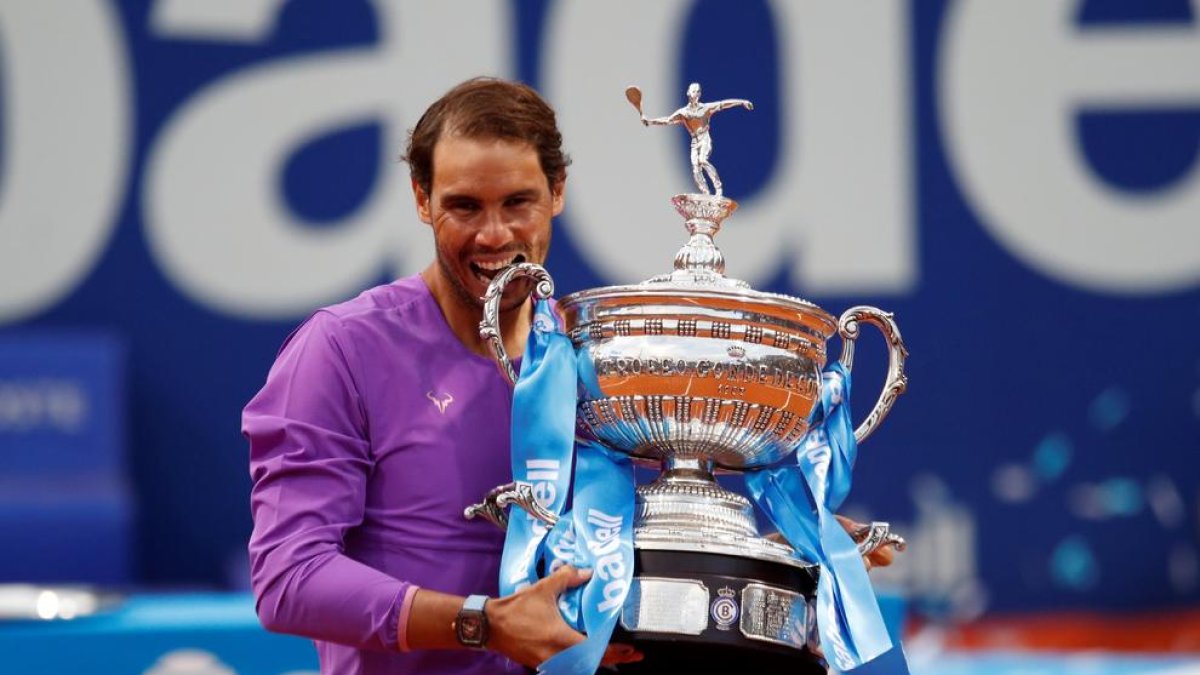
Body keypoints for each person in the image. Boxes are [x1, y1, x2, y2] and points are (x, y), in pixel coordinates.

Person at [244, 76, 894, 675]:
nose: (493, 234)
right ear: (422, 199)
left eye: (518, 202)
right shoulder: (340, 350)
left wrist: (779, 550)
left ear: (558, 192)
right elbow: (288, 577)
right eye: (463, 206)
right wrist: (482, 623)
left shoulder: (595, 357)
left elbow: (624, 548)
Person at [640, 82, 752, 196]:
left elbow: (723, 104)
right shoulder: (683, 112)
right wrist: (650, 121)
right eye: (694, 91)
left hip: (705, 138)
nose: (697, 94)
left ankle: (718, 188)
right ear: (688, 93)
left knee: (702, 160)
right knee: (696, 169)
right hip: (695, 141)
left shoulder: (705, 108)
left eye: (698, 91)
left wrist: (742, 102)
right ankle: (705, 192)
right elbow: (668, 120)